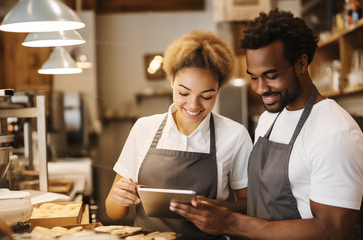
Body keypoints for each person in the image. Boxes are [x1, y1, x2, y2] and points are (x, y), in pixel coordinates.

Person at [170, 9, 363, 239]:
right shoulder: (269, 119)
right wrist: (214, 209)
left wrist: (232, 223)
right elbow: (262, 206)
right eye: (254, 77)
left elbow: (332, 231)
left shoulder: (336, 134)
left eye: (271, 75)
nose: (260, 88)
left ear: (302, 63)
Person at [105, 30, 253, 239]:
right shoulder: (143, 128)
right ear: (172, 80)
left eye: (207, 96)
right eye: (184, 93)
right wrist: (119, 197)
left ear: (219, 88)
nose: (193, 105)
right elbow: (114, 213)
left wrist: (218, 209)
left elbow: (251, 207)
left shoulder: (235, 135)